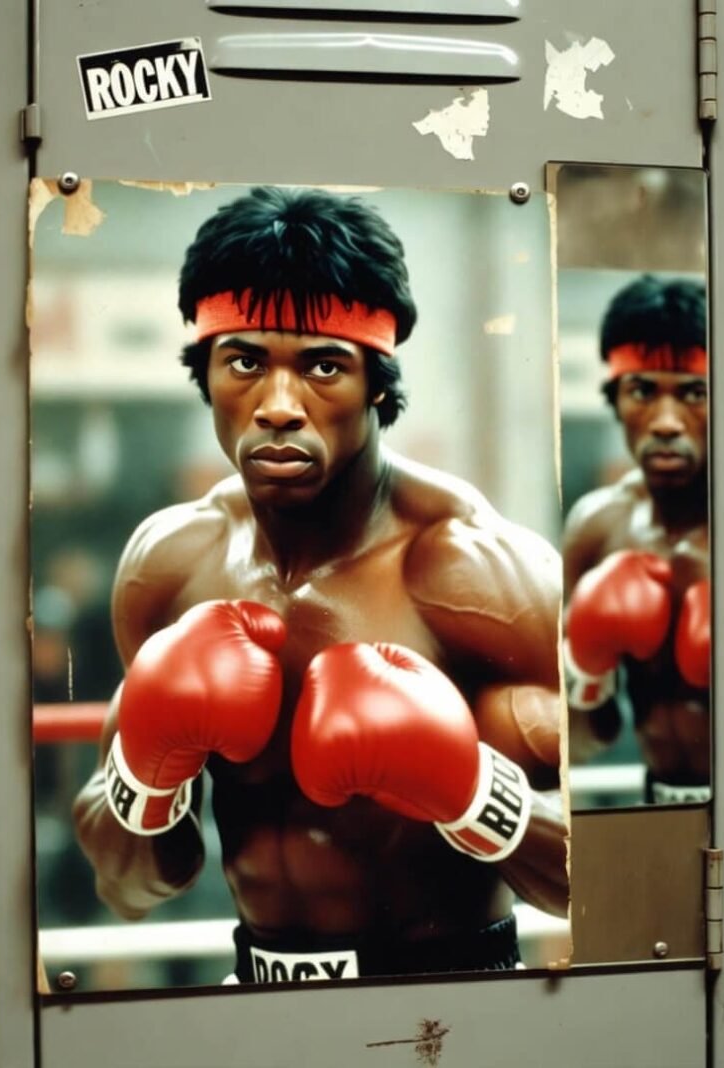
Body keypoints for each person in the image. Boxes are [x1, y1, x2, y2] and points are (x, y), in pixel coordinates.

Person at [73, 186, 567, 984]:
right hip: (256, 997)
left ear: (377, 380)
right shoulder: (172, 563)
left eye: (323, 366)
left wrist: (470, 789)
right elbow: (128, 881)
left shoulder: (475, 575)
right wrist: (145, 772)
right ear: (204, 371)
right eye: (243, 362)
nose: (276, 406)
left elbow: (601, 877)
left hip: (454, 1004)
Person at [561, 275, 711, 804]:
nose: (667, 422)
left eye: (694, 393)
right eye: (643, 391)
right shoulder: (598, 527)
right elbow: (582, 741)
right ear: (615, 399)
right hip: (654, 805)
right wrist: (585, 668)